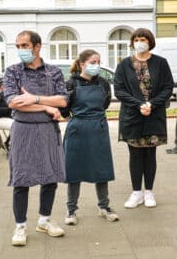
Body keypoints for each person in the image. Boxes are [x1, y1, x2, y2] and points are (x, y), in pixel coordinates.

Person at [3, 30, 68, 246]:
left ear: (37, 46)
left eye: (24, 45)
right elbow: (13, 102)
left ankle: (44, 220)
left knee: (50, 177)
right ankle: (20, 226)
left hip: (48, 132)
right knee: (21, 179)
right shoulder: (13, 71)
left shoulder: (54, 72)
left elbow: (64, 101)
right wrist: (48, 108)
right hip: (23, 129)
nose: (21, 50)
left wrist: (36, 98)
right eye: (18, 46)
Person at [114, 28, 174, 209]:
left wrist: (152, 104)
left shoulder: (161, 63)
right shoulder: (124, 64)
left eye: (143, 39)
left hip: (153, 115)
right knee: (135, 154)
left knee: (150, 154)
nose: (140, 42)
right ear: (132, 42)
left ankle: (148, 191)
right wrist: (139, 104)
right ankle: (136, 192)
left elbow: (167, 87)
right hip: (132, 115)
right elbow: (119, 90)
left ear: (150, 42)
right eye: (137, 39)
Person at [60, 49, 118, 225]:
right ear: (82, 64)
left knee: (102, 168)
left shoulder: (103, 83)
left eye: (98, 62)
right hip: (77, 129)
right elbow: (64, 109)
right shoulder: (71, 84)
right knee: (74, 170)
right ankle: (71, 210)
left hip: (98, 128)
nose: (96, 66)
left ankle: (104, 207)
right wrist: (75, 119)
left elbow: (106, 103)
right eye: (93, 62)